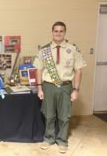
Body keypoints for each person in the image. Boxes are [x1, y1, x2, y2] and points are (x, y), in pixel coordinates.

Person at [33, 21, 86, 154]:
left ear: (64, 32)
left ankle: (62, 140)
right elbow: (38, 70)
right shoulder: (44, 50)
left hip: (66, 87)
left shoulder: (73, 49)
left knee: (64, 116)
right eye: (56, 31)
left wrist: (76, 89)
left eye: (61, 31)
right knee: (48, 114)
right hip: (48, 87)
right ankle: (49, 138)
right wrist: (39, 88)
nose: (58, 33)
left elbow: (79, 70)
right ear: (52, 32)